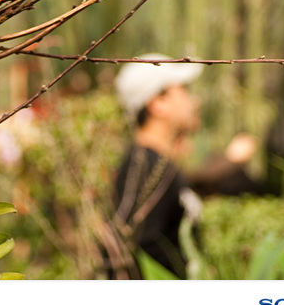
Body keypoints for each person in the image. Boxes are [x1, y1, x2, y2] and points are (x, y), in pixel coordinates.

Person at [110, 53, 262, 279]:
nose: (194, 101)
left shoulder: (157, 165)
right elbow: (142, 251)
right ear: (157, 104)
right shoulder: (143, 167)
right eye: (183, 90)